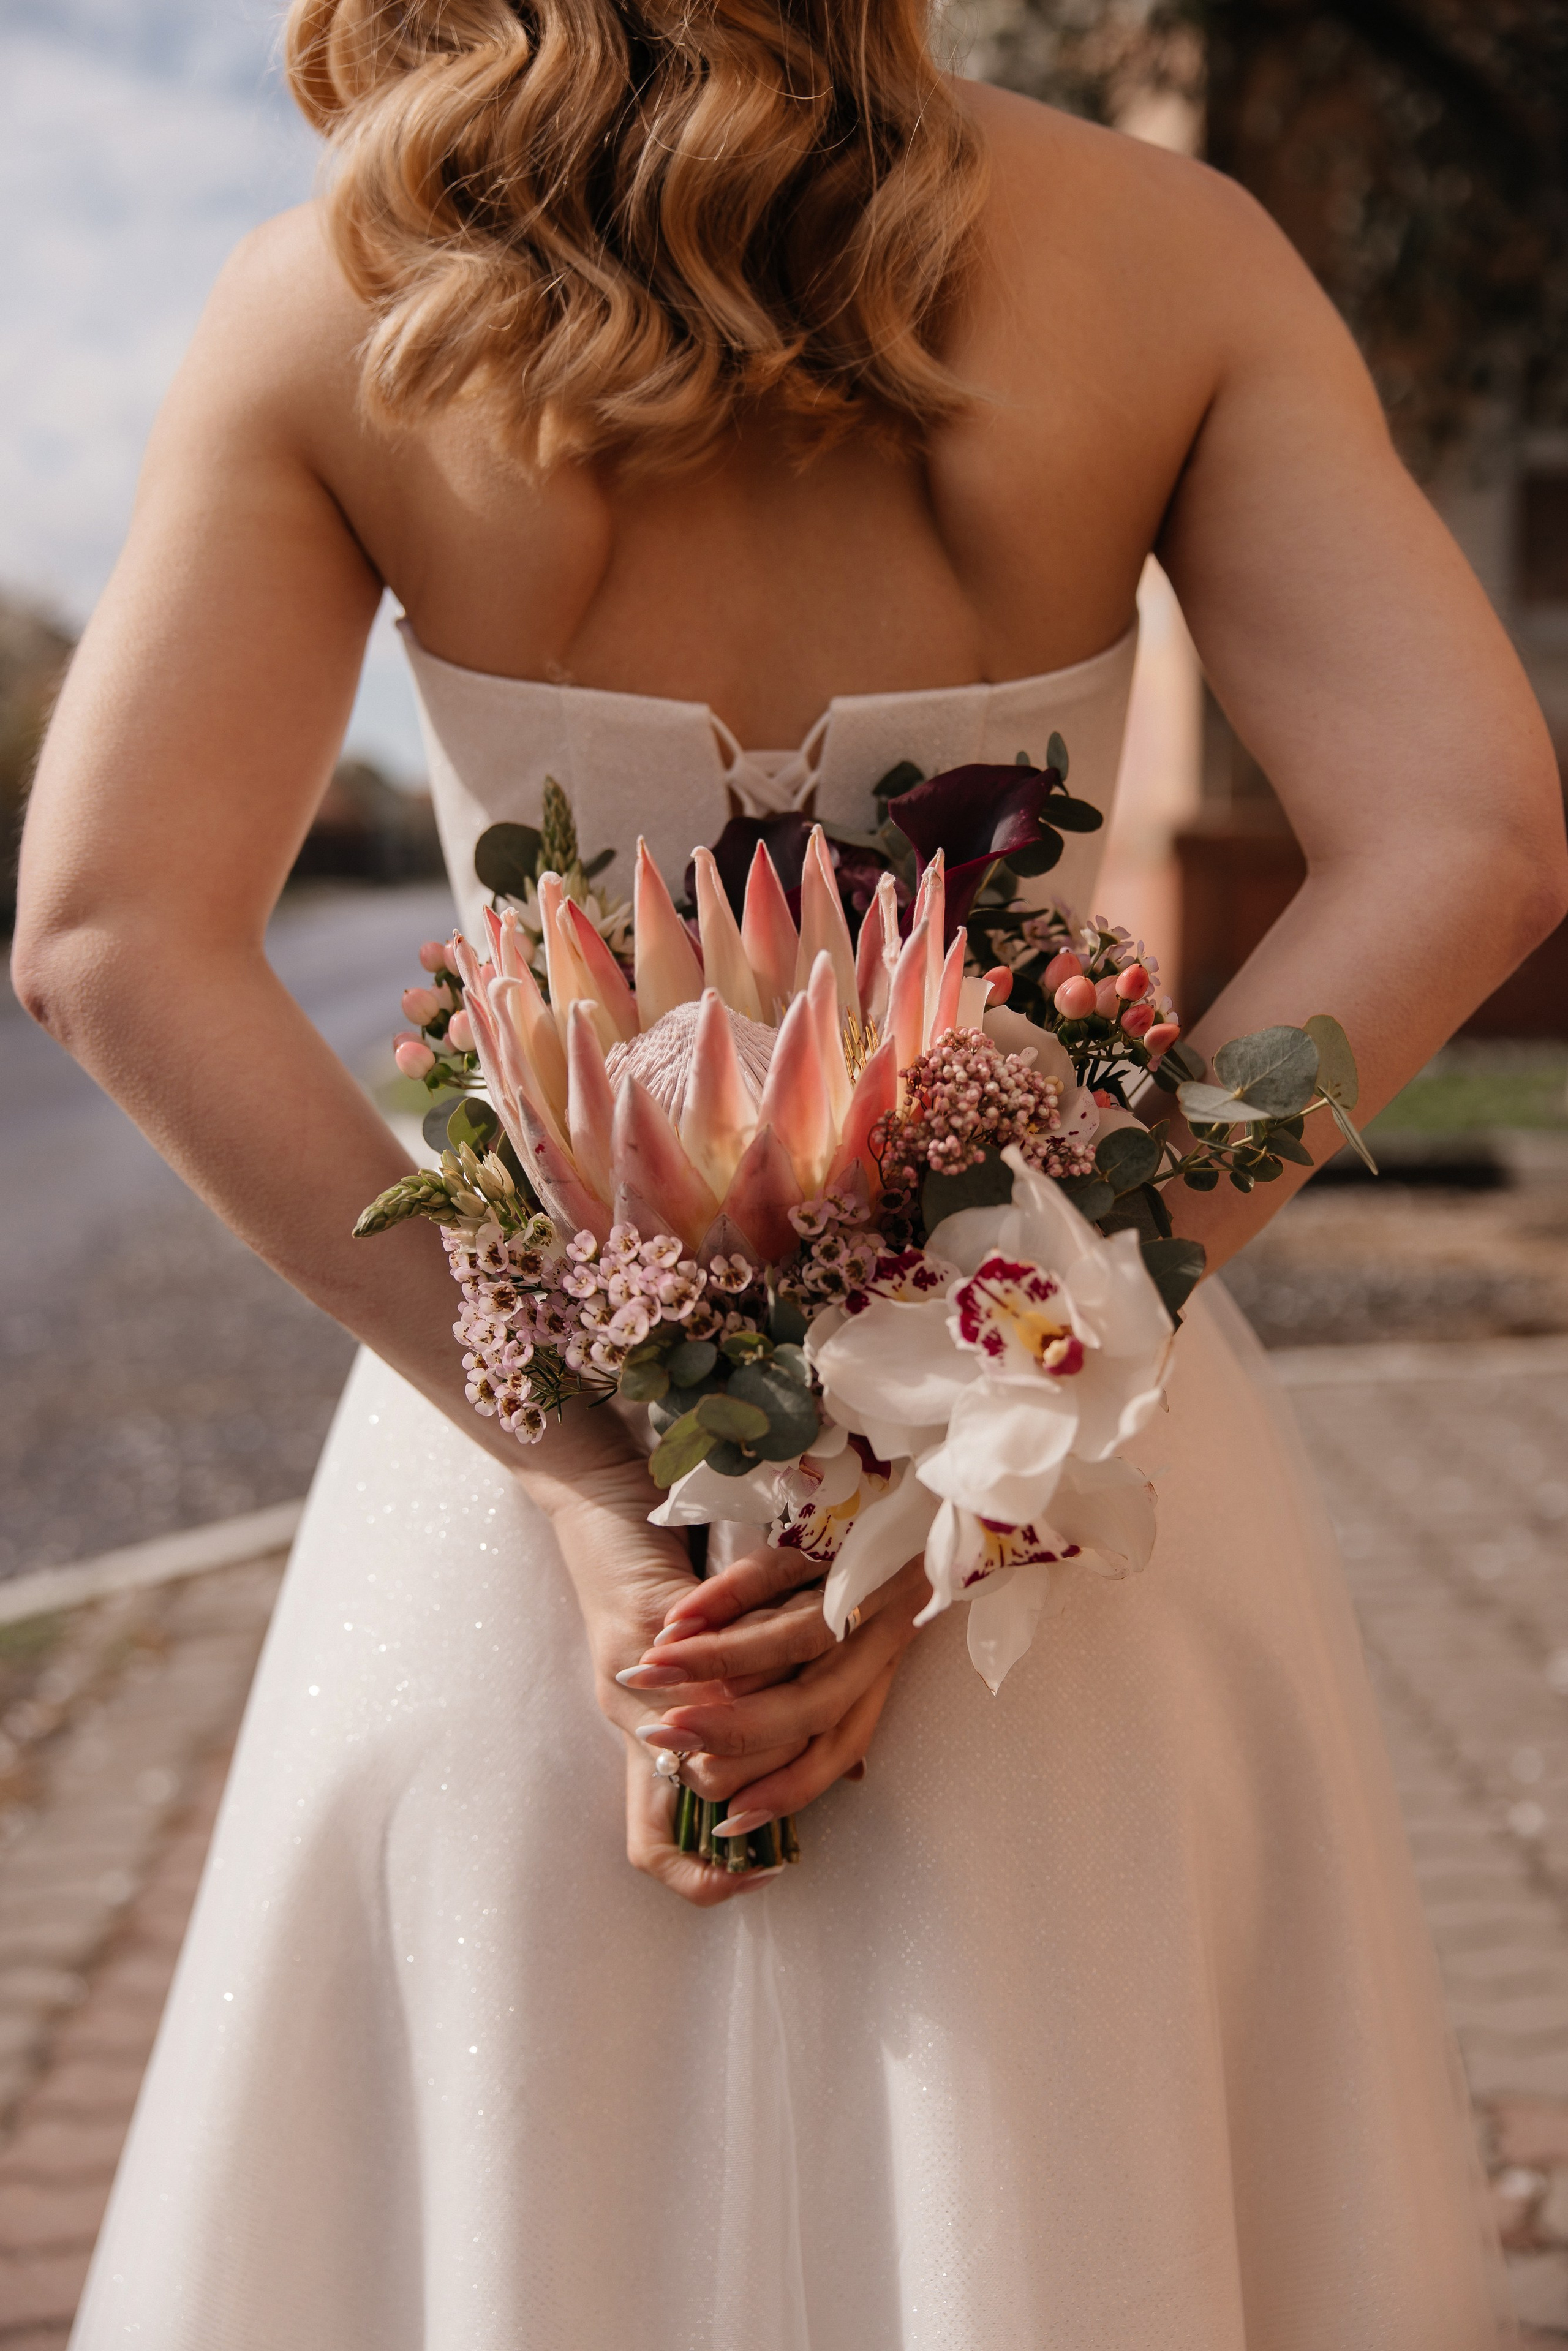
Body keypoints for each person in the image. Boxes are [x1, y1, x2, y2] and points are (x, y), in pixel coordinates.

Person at [14, 2, 1564, 2343]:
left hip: (531, 1499)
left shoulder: (337, 295)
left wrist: (581, 1483)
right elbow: (1469, 842)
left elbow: (109, 934)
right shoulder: (1174, 257)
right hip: (1061, 1516)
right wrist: (1009, 1379)